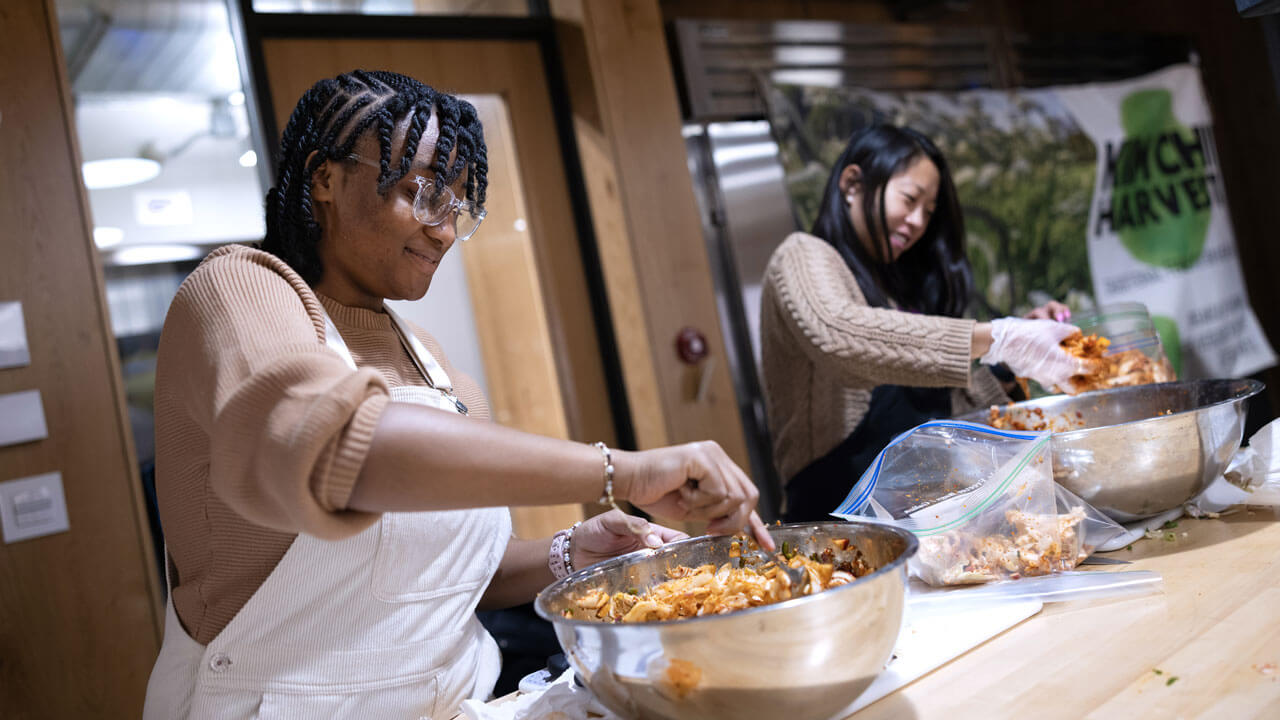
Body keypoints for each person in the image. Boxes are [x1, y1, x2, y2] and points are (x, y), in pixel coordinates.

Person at [142, 70, 771, 719]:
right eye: (421, 193)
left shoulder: (435, 366)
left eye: (458, 206)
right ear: (324, 178)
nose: (443, 230)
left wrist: (570, 551)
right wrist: (623, 471)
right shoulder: (238, 292)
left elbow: (443, 576)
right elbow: (343, 452)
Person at [760, 124, 1093, 522]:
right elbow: (840, 335)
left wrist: (1011, 357)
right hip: (835, 524)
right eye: (909, 199)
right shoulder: (802, 254)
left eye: (929, 212)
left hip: (920, 523)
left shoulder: (896, 292)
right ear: (852, 184)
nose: (918, 222)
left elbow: (943, 416)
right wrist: (998, 336)